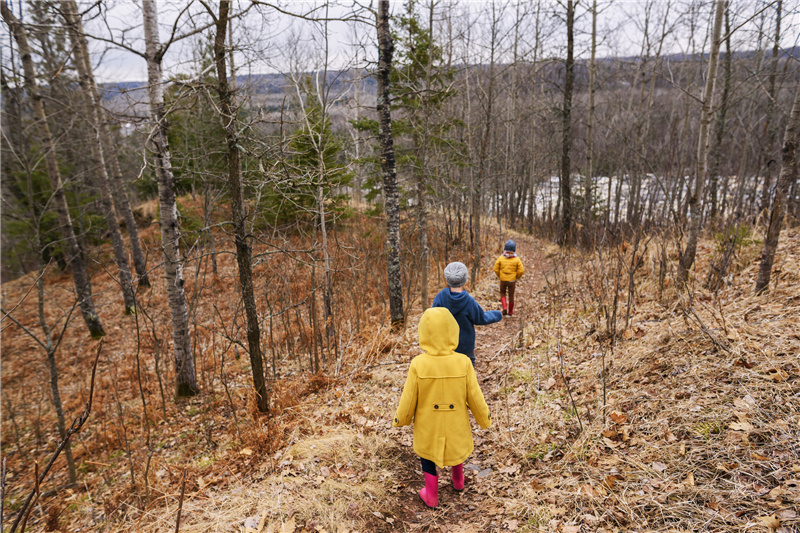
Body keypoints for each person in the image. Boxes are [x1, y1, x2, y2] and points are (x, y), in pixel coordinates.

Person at [393, 307, 492, 508]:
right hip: (457, 422)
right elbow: (475, 396)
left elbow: (409, 397)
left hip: (428, 424)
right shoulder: (463, 362)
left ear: (424, 333)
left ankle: (431, 495)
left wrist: (401, 419)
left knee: (427, 455)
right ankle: (458, 481)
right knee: (456, 447)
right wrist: (484, 419)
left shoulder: (418, 364)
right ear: (452, 331)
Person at [431, 261, 503, 366]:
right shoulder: (469, 301)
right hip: (465, 349)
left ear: (447, 279)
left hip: (444, 347)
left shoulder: (440, 298)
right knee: (467, 377)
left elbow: (432, 319)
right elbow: (481, 318)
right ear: (465, 280)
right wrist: (497, 314)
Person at [493, 239, 525, 316]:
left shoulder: (501, 258)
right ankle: (510, 312)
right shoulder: (517, 259)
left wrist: (500, 275)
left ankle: (504, 307)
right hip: (512, 280)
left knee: (502, 292)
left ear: (505, 249)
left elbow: (495, 268)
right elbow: (521, 270)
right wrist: (517, 276)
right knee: (511, 295)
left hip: (503, 279)